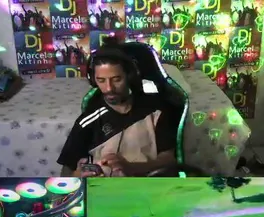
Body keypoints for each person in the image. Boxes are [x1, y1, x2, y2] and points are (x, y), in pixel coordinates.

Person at [57, 44, 182, 178]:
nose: (109, 88)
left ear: (130, 76)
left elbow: (169, 160)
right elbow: (66, 172)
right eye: (101, 80)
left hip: (149, 186)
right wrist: (77, 176)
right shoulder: (87, 122)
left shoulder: (157, 110)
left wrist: (131, 168)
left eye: (117, 79)